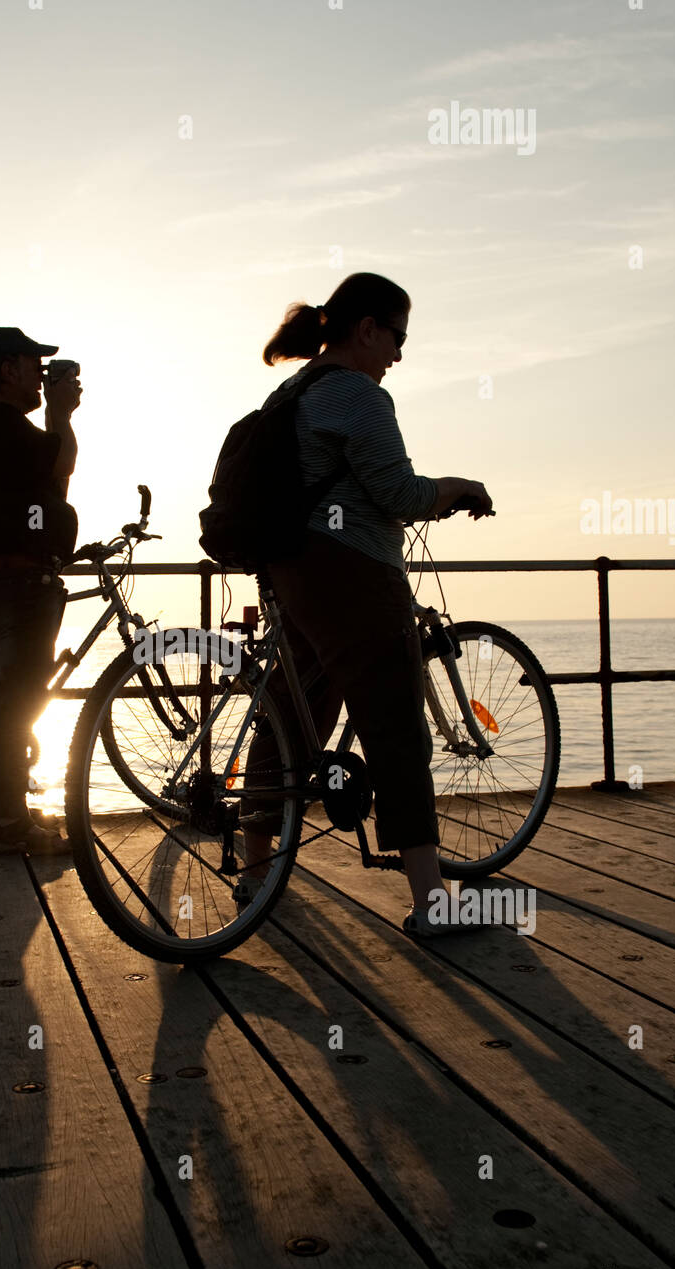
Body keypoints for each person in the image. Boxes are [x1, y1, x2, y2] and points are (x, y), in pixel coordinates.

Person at [239, 273, 494, 935]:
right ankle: (431, 903)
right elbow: (402, 497)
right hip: (352, 573)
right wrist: (461, 485)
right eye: (397, 336)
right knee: (396, 728)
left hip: (292, 572)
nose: (399, 355)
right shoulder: (355, 393)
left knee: (290, 714)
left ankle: (255, 872)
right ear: (367, 328)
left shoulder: (290, 392)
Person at [0, 326, 81, 854]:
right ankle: (7, 823)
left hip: (18, 579)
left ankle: (4, 806)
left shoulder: (5, 426)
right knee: (18, 703)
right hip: (17, 584)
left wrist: (57, 417)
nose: (41, 374)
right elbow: (61, 463)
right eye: (35, 364)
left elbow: (54, 485)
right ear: (7, 368)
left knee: (16, 700)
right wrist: (60, 413)